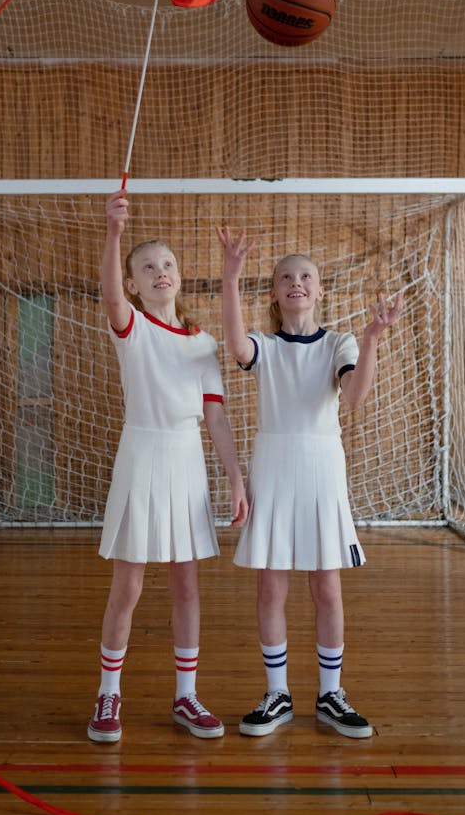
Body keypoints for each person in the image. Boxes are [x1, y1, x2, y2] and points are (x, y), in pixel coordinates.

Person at [216, 226, 403, 740]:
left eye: (306, 276)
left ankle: (330, 694)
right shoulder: (265, 346)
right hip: (274, 466)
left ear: (320, 290)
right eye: (285, 277)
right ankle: (277, 692)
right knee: (270, 584)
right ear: (275, 293)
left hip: (322, 470)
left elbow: (356, 396)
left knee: (326, 585)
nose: (295, 282)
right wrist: (231, 278)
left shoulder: (341, 343)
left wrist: (370, 339)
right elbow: (234, 346)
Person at [87, 191, 248, 744]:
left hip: (187, 462)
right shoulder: (129, 325)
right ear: (133, 283)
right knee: (127, 588)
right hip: (141, 456)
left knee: (186, 586)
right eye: (148, 266)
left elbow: (217, 422)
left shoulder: (202, 344)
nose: (161, 272)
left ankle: (186, 697)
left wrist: (234, 476)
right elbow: (108, 296)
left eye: (169, 264)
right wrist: (113, 235)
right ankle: (108, 695)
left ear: (180, 277)